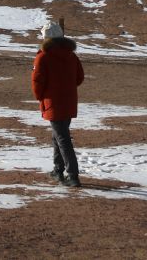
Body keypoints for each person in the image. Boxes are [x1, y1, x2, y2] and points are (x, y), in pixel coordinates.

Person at [32, 20, 85, 187]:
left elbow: (37, 82)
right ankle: (58, 169)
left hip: (52, 103)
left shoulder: (43, 57)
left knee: (62, 138)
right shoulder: (71, 55)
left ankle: (72, 175)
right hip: (68, 102)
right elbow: (79, 78)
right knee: (58, 136)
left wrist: (40, 96)